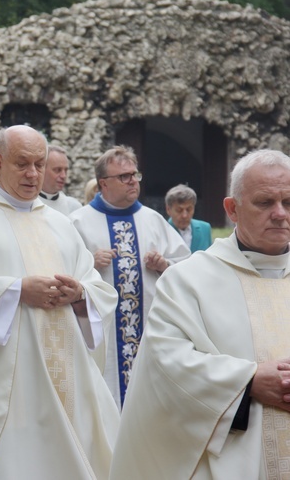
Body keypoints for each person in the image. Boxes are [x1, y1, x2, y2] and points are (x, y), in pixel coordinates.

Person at [0, 125, 119, 479]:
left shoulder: (60, 223)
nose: (33, 174)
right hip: (5, 377)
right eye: (22, 163)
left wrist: (79, 294)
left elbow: (94, 282)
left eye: (39, 163)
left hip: (68, 368)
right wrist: (17, 290)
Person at [110, 149, 290, 479]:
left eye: (288, 202)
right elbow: (165, 365)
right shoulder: (187, 280)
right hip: (230, 462)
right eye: (265, 203)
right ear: (232, 209)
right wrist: (247, 383)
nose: (279, 214)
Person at [69, 146, 190, 407]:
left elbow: (187, 269)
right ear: (103, 183)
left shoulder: (153, 220)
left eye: (135, 174)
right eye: (124, 176)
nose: (132, 181)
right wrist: (90, 262)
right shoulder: (77, 222)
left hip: (149, 331)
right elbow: (61, 273)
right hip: (102, 335)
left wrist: (164, 264)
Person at [165, 184, 212, 252]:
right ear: (168, 209)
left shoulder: (205, 228)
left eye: (189, 209)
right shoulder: (162, 231)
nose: (185, 215)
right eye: (179, 210)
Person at [41, 145, 83, 215]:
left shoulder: (74, 207)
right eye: (57, 170)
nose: (63, 176)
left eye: (66, 170)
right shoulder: (27, 204)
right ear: (42, 169)